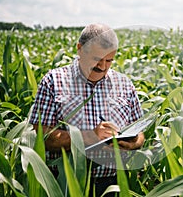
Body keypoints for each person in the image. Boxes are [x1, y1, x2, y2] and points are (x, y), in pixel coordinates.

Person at [29, 23, 144, 196]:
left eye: (109, 60)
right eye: (97, 59)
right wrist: (90, 137)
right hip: (64, 184)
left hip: (112, 185)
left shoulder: (124, 84)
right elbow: (39, 136)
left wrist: (132, 143)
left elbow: (139, 131)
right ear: (80, 49)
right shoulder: (54, 81)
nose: (103, 67)